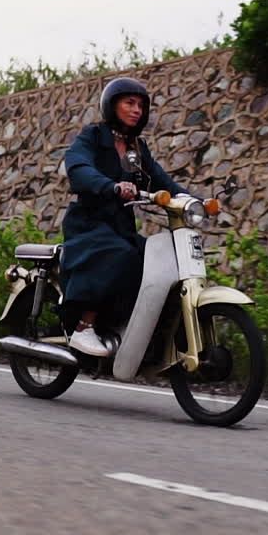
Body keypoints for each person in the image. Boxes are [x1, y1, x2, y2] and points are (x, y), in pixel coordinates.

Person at [59, 77, 188, 357]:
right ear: (111, 105)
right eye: (130, 103)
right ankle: (84, 326)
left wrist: (193, 201)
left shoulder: (136, 149)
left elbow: (162, 181)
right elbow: (78, 167)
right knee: (119, 254)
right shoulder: (93, 136)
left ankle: (128, 327)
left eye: (141, 105)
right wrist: (111, 186)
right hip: (89, 223)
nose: (136, 110)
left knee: (156, 262)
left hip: (121, 226)